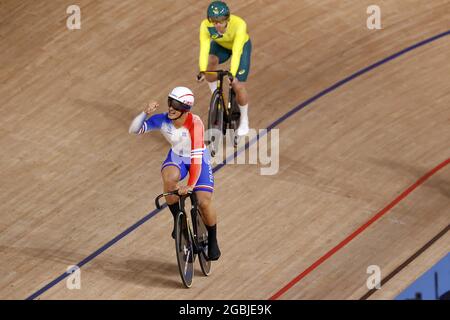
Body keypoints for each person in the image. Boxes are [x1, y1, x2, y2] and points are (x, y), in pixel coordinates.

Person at [128, 86, 221, 261]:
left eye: (176, 105)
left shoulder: (196, 124)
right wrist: (144, 113)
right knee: (169, 180)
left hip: (198, 158)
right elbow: (135, 130)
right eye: (170, 102)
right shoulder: (162, 120)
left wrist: (191, 185)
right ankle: (180, 224)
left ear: (185, 109)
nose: (171, 108)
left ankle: (213, 240)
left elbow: (195, 160)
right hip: (177, 157)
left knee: (203, 201)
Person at [197, 1, 252, 136]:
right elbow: (204, 49)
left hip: (241, 47)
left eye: (220, 21)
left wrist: (232, 74)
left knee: (238, 86)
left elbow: (237, 51)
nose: (216, 25)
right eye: (213, 21)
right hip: (222, 46)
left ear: (227, 19)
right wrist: (202, 70)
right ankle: (216, 97)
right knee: (210, 64)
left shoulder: (239, 24)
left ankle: (244, 120)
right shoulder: (205, 26)